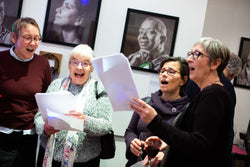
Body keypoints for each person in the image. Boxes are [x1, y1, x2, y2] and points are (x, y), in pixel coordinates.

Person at [130, 37, 232, 167]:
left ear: (214, 64)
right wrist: (167, 143)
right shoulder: (207, 93)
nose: (189, 59)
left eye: (197, 54)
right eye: (190, 54)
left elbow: (199, 145)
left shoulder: (214, 94)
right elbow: (194, 138)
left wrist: (154, 120)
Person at [35, 44, 113, 167]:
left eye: (85, 64)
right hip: (49, 159)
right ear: (69, 65)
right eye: (75, 62)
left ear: (92, 68)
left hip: (84, 162)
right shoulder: (56, 85)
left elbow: (105, 125)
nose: (79, 67)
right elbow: (39, 117)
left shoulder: (99, 89)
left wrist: (85, 121)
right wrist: (44, 128)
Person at [0, 17, 51, 167]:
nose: (33, 43)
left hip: (29, 136)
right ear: (14, 37)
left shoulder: (43, 64)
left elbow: (45, 98)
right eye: (28, 38)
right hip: (2, 135)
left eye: (37, 38)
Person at [125, 57, 189, 167]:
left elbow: (187, 144)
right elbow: (130, 130)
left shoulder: (187, 110)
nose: (164, 74)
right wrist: (132, 141)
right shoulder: (146, 102)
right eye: (162, 71)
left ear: (183, 80)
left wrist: (166, 153)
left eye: (171, 72)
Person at [185, 51, 242, 167]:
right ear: (232, 73)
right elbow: (225, 126)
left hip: (188, 143)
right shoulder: (226, 87)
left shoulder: (192, 80)